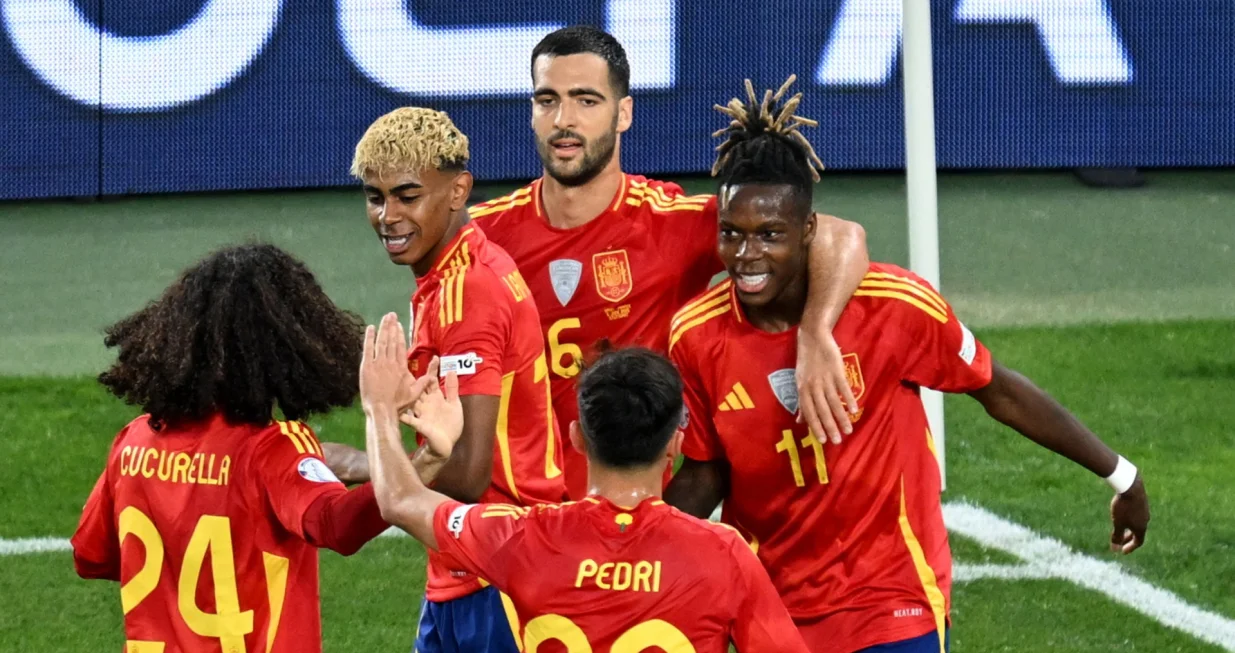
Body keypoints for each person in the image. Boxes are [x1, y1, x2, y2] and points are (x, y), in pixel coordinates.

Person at [663, 77, 1152, 653]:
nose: (747, 256)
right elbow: (705, 472)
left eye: (770, 234)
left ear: (810, 231)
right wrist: (634, 546)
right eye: (731, 235)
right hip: (771, 606)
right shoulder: (695, 336)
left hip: (892, 600)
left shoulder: (892, 305)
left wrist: (1122, 475)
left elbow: (997, 390)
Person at [468, 26, 871, 499]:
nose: (563, 120)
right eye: (547, 100)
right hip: (515, 516)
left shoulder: (671, 224)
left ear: (624, 114)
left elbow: (842, 236)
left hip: (630, 512)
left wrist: (815, 331)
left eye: (586, 101)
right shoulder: (482, 234)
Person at [360, 311, 811, 652]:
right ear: (675, 441)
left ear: (576, 437)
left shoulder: (521, 536)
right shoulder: (725, 555)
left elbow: (399, 498)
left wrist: (380, 411)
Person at [70, 244, 392, 653]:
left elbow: (91, 557)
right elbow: (336, 525)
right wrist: (420, 468)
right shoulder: (272, 448)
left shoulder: (133, 442)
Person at [337, 106, 568, 653]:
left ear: (458, 190)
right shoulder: (448, 279)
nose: (388, 216)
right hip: (464, 568)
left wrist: (363, 458)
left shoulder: (469, 291)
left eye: (407, 195)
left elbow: (466, 471)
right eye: (376, 196)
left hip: (501, 577)